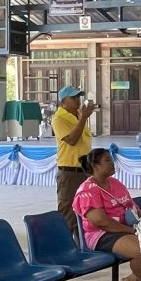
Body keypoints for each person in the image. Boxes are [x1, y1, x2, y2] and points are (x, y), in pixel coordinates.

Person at [72, 148, 141, 281]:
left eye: (112, 160)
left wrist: (140, 225)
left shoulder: (115, 183)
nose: (112, 163)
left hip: (124, 229)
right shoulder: (87, 191)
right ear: (95, 165)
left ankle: (131, 280)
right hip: (101, 234)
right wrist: (132, 230)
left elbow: (132, 206)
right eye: (107, 160)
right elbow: (101, 222)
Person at [51, 84, 95, 234]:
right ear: (63, 101)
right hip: (69, 172)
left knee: (85, 212)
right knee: (68, 215)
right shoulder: (59, 119)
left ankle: (80, 244)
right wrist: (84, 118)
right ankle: (64, 244)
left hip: (84, 170)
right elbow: (72, 140)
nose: (77, 100)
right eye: (73, 97)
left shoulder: (78, 116)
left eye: (78, 97)